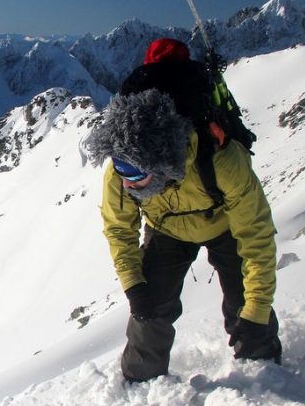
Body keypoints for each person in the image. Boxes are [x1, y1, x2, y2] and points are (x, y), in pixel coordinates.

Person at [89, 62, 283, 383]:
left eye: (135, 175)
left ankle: (263, 369)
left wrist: (257, 309)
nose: (125, 182)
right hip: (167, 229)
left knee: (245, 304)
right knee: (150, 306)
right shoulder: (123, 168)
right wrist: (134, 285)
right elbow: (119, 229)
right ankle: (140, 380)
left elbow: (257, 236)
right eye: (120, 169)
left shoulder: (223, 162)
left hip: (225, 224)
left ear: (163, 164)